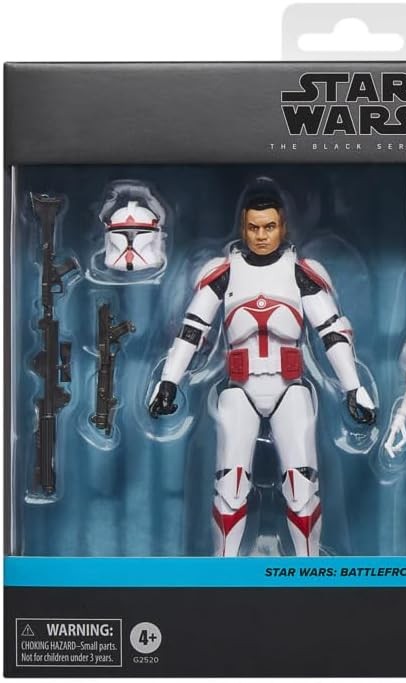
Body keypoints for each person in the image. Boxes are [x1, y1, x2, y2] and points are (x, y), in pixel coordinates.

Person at [149, 192, 375, 556]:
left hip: (290, 388)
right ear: (243, 227)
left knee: (301, 486)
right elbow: (192, 330)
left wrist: (353, 388)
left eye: (269, 226)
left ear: (282, 226)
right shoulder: (223, 274)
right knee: (230, 485)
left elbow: (332, 331)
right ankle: (226, 567)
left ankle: (307, 568)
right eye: (254, 227)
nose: (261, 235)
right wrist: (169, 381)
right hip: (240, 388)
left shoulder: (300, 274)